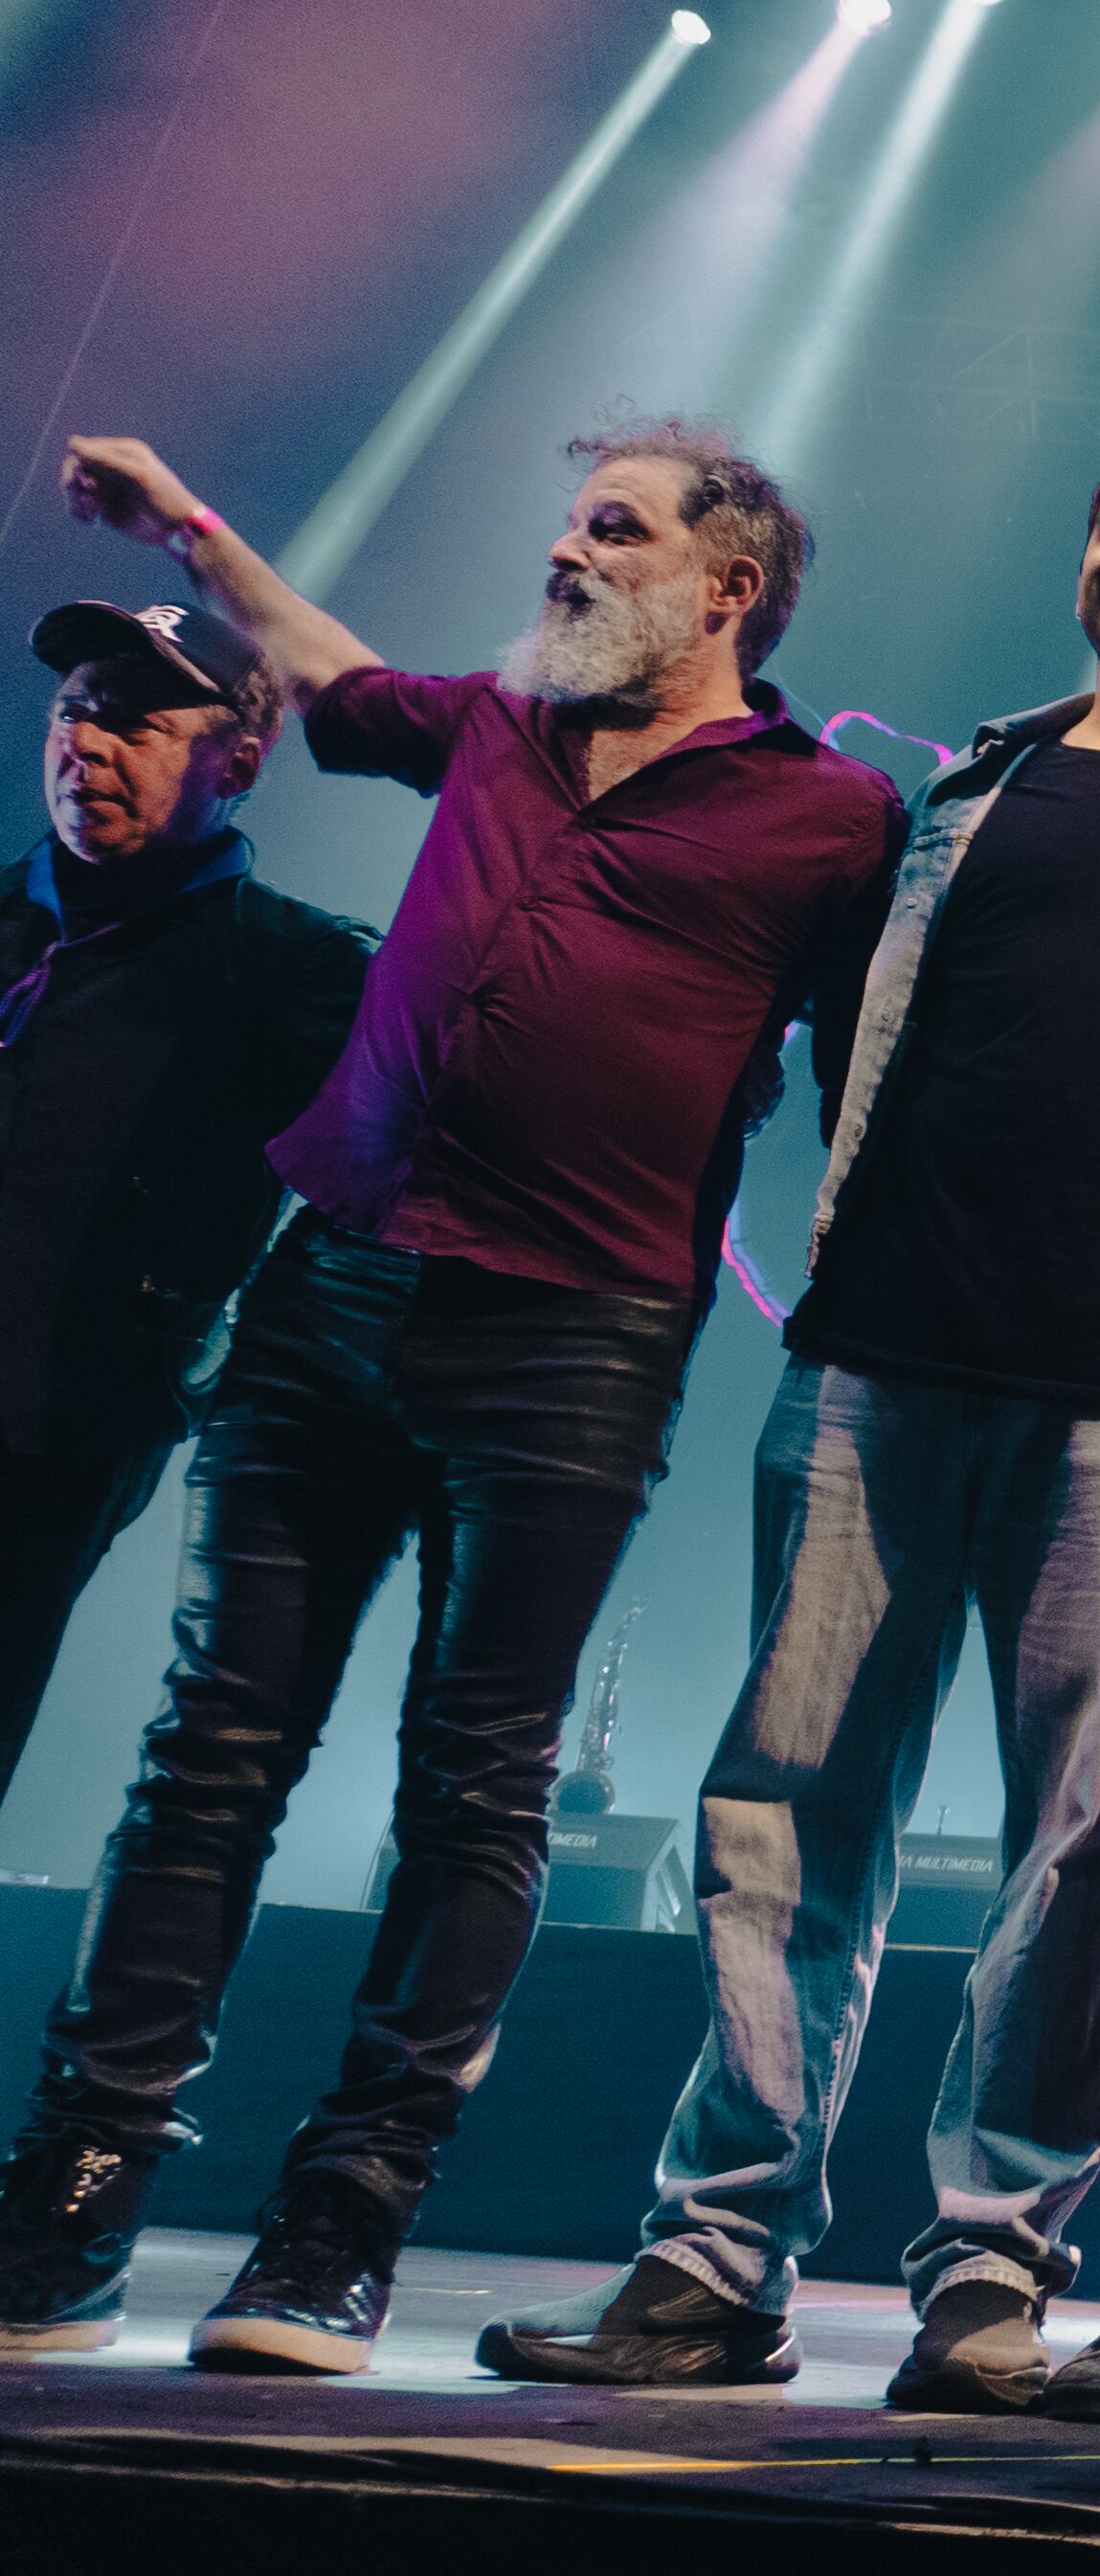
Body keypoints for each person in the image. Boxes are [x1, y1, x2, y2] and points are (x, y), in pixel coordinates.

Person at [0, 423, 900, 2371]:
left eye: (611, 533)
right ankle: (75, 2190)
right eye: (569, 524)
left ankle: (339, 2228)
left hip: (576, 1339)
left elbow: (880, 1073)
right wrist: (192, 526)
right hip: (339, 1280)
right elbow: (324, 670)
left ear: (724, 589)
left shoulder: (828, 820)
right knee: (209, 1751)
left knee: (471, 1789)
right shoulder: (499, 722)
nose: (565, 556)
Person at [477, 455, 1100, 2413]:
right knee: (783, 1812)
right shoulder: (959, 791)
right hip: (879, 1359)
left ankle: (993, 2273)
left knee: (1079, 1852)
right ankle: (715, 2263)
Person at [0, 601, 371, 1814]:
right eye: (73, 713)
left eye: (135, 723)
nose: (87, 745)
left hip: (47, 1444)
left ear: (240, 761)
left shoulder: (295, 973)